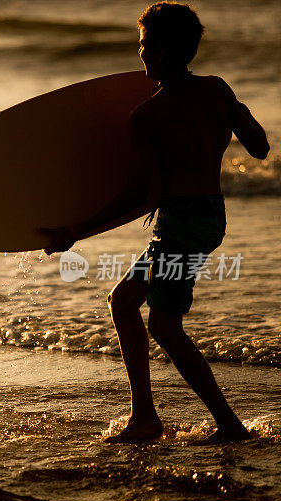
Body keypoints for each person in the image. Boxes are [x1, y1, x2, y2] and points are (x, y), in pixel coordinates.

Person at [42, 2, 269, 443]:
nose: (140, 53)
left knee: (164, 326)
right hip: (208, 215)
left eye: (144, 45)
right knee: (124, 303)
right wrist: (221, 126)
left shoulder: (148, 116)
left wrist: (73, 233)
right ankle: (145, 416)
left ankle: (229, 426)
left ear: (160, 53)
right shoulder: (217, 90)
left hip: (180, 223)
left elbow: (134, 194)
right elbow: (259, 147)